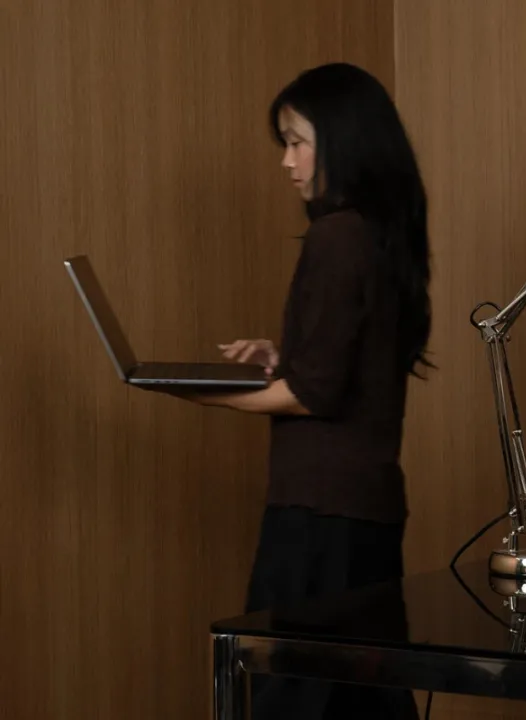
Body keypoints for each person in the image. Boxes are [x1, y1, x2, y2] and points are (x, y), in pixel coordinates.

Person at [173, 62, 431, 719]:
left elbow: (313, 395)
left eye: (296, 142)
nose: (286, 162)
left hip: (319, 512)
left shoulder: (337, 236)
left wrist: (196, 392)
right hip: (364, 507)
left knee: (294, 694)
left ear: (342, 141)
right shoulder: (379, 231)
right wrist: (284, 356)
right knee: (366, 698)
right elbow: (351, 364)